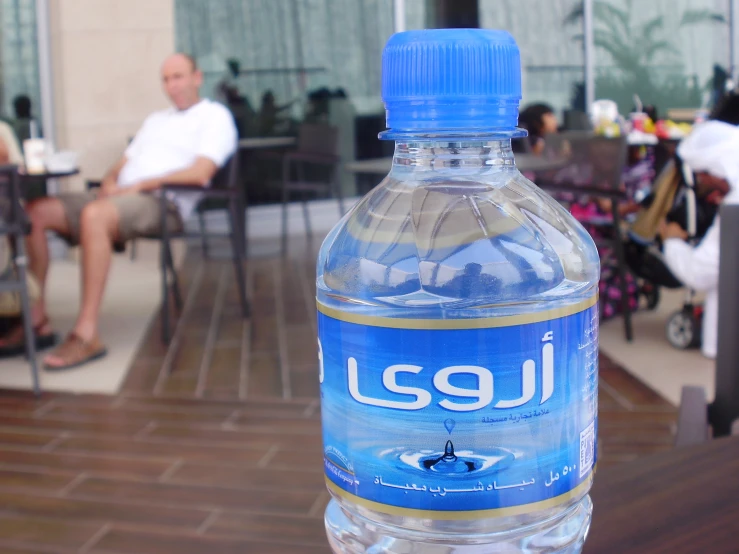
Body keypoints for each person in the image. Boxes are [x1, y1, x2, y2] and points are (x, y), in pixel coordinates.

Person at [0, 53, 237, 369]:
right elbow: (125, 162)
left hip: (163, 203)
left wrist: (138, 186)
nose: (171, 86)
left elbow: (200, 172)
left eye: (178, 77)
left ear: (197, 77)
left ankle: (86, 334)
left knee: (95, 216)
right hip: (121, 197)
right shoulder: (157, 120)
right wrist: (110, 181)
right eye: (166, 79)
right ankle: (36, 316)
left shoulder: (215, 117)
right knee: (35, 211)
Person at [659, 120, 739, 359]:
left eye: (702, 173)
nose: (700, 181)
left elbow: (699, 274)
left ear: (719, 167)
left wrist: (671, 241)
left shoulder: (734, 210)